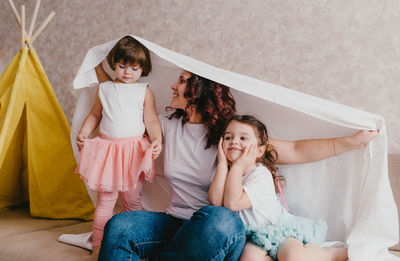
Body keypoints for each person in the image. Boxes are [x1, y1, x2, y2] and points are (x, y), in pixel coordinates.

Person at [95, 65, 377, 260]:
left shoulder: (231, 137)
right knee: (121, 225)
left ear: (199, 89)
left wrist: (350, 142)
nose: (172, 85)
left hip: (216, 231)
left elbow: (296, 150)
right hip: (175, 222)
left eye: (181, 81)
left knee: (219, 217)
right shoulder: (167, 126)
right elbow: (120, 121)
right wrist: (103, 77)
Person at [209, 114, 349, 261]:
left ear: (260, 150)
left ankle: (332, 254)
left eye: (243, 138)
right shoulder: (223, 171)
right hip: (253, 237)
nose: (234, 142)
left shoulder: (260, 175)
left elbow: (233, 203)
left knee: (292, 255)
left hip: (278, 229)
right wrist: (222, 164)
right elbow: (216, 202)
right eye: (228, 137)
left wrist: (238, 166)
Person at [75, 36, 162, 256]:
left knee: (132, 200)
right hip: (108, 152)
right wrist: (84, 132)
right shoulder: (105, 88)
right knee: (106, 201)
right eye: (122, 66)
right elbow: (95, 114)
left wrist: (156, 139)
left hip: (133, 152)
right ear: (114, 64)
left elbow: (151, 119)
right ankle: (98, 246)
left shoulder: (144, 90)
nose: (127, 72)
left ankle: (138, 243)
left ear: (143, 68)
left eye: (134, 68)